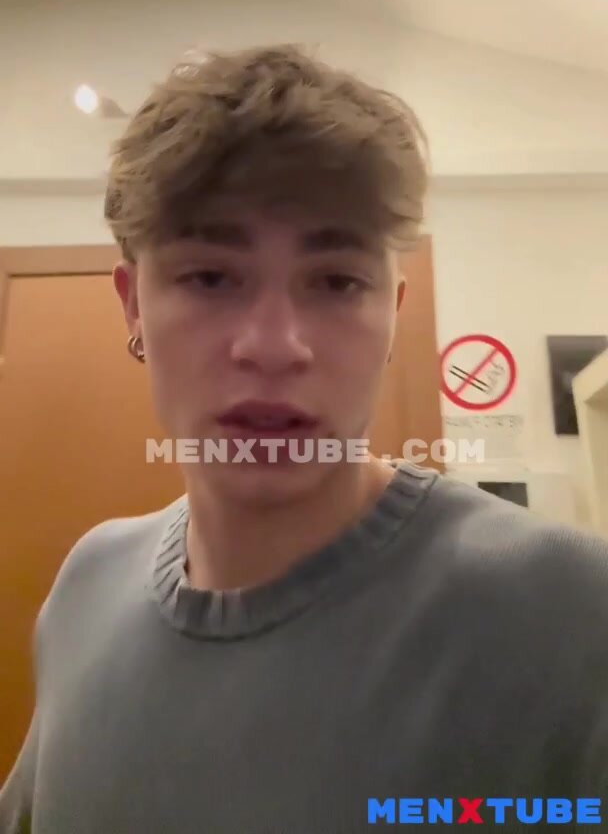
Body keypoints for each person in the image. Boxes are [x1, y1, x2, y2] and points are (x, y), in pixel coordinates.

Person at [1, 44, 607, 833]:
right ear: (133, 307)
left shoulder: (568, 616)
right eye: (210, 277)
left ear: (391, 314)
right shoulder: (88, 584)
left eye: (336, 282)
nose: (274, 345)